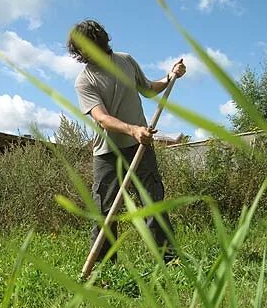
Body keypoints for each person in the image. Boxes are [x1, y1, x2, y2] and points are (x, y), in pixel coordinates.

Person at [67, 20, 186, 263]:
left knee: (152, 203)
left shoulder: (126, 61)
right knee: (105, 211)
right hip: (107, 153)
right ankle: (103, 268)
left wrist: (170, 76)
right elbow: (102, 118)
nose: (82, 53)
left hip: (140, 146)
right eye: (78, 49)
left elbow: (149, 89)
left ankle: (170, 261)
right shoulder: (84, 80)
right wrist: (132, 129)